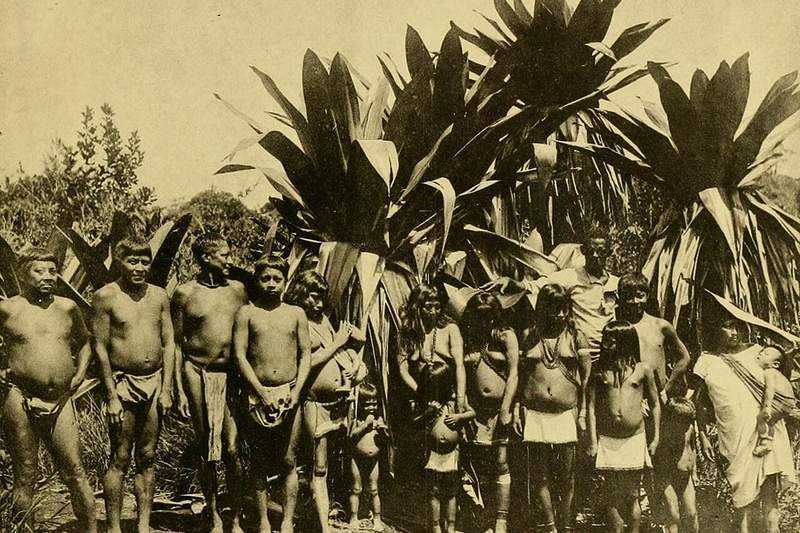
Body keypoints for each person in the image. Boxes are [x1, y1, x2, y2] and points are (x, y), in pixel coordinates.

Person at [0, 247, 97, 532]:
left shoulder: (67, 308)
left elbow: (86, 342)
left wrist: (79, 374)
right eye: (38, 271)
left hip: (61, 398)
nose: (47, 276)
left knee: (75, 471)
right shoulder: (8, 309)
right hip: (19, 395)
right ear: (23, 274)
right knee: (25, 474)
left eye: (53, 271)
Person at [94, 237, 175, 533]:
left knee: (148, 456)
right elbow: (100, 347)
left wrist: (166, 389)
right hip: (123, 383)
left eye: (144, 262)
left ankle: (143, 525)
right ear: (120, 262)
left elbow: (169, 343)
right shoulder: (106, 296)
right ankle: (114, 527)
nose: (139, 268)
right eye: (132, 261)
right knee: (120, 456)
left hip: (154, 382)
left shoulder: (159, 296)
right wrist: (111, 397)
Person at [171, 234, 248, 533]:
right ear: (206, 258)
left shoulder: (238, 290)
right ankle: (214, 514)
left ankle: (236, 517)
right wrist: (178, 390)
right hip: (197, 372)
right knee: (207, 447)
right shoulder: (185, 293)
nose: (229, 260)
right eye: (224, 255)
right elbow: (177, 344)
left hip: (232, 375)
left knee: (232, 448)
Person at [692, 315, 797, 533]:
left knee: (769, 495)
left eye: (738, 326)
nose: (734, 333)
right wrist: (702, 434)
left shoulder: (758, 352)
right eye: (727, 326)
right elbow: (700, 402)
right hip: (733, 436)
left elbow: (783, 367)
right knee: (741, 499)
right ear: (715, 328)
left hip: (765, 434)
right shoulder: (707, 360)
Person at [232, 255, 311, 533]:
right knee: (259, 461)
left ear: (286, 281)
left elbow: (305, 354)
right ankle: (264, 521)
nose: (271, 284)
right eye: (265, 278)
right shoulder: (247, 313)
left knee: (289, 460)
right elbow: (240, 355)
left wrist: (296, 392)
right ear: (257, 280)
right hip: (257, 395)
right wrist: (260, 392)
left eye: (277, 279)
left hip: (289, 394)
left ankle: (287, 521)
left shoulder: (296, 313)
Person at [284, 270, 366, 533]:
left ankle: (322, 517)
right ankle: (323, 527)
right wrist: (337, 343)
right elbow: (304, 363)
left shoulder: (324, 320)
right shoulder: (298, 321)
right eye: (313, 297)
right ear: (300, 294)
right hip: (314, 404)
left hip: (337, 405)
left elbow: (345, 348)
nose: (318, 303)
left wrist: (355, 362)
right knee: (318, 467)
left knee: (329, 464)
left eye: (321, 297)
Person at [518, 283, 590, 532]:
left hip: (566, 413)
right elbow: (520, 375)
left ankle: (566, 526)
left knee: (567, 475)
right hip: (535, 412)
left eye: (563, 309)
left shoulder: (576, 336)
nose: (559, 315)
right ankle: (551, 527)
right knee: (540, 476)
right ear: (542, 308)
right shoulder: (529, 335)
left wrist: (582, 412)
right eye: (553, 309)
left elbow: (586, 379)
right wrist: (518, 408)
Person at [588, 321, 660, 533]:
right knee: (611, 495)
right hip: (608, 439)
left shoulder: (642, 369)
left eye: (611, 341)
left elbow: (655, 404)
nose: (606, 344)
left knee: (632, 494)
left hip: (634, 438)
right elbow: (591, 407)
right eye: (605, 340)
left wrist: (655, 437)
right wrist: (592, 440)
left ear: (625, 342)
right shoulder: (599, 370)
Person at [459, 291, 519, 533]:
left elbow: (514, 374)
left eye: (489, 315)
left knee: (501, 462)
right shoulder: (469, 336)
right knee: (475, 463)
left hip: (498, 410)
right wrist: (463, 405)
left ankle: (500, 520)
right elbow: (460, 374)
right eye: (479, 315)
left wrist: (506, 408)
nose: (485, 320)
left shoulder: (506, 335)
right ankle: (481, 517)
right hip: (474, 411)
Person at [616, 272, 690, 401]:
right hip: (629, 398)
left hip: (658, 396)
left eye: (640, 296)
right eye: (629, 296)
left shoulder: (660, 326)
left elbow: (684, 357)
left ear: (647, 295)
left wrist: (667, 388)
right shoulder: (618, 328)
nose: (635, 301)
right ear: (621, 297)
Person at [398, 284, 467, 416]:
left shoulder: (450, 330)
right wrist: (421, 394)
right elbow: (403, 370)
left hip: (447, 399)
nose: (434, 311)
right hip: (418, 399)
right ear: (417, 307)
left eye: (437, 306)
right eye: (428, 307)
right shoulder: (407, 334)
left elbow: (460, 366)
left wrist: (460, 400)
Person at [652, 396, 698, 533]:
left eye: (689, 420)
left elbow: (692, 448)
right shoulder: (666, 432)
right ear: (673, 419)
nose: (686, 424)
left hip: (686, 476)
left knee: (692, 513)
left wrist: (694, 472)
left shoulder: (689, 429)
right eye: (683, 421)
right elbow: (660, 460)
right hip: (667, 477)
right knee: (673, 514)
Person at [347, 381, 389, 531]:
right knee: (356, 489)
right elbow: (351, 436)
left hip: (374, 460)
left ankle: (377, 518)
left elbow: (386, 438)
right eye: (367, 405)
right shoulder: (357, 420)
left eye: (374, 404)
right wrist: (365, 425)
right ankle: (353, 518)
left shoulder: (379, 419)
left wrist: (383, 430)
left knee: (374, 489)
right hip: (357, 459)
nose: (371, 407)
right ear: (360, 404)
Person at [753, 346, 798, 457]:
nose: (760, 355)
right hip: (789, 403)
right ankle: (768, 441)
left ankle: (765, 442)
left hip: (780, 401)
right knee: (771, 422)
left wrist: (767, 406)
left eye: (766, 354)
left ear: (776, 364)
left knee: (761, 418)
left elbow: (770, 389)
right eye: (760, 353)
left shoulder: (769, 372)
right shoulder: (779, 374)